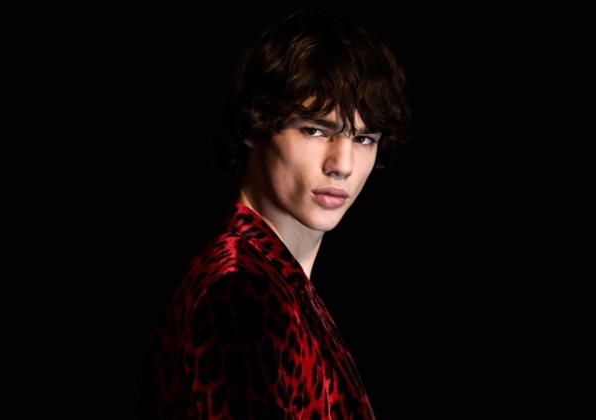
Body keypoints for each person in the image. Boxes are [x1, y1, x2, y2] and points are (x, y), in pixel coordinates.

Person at [136, 5, 411, 419]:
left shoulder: (276, 284)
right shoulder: (238, 294)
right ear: (254, 127)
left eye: (364, 139)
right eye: (315, 129)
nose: (343, 165)